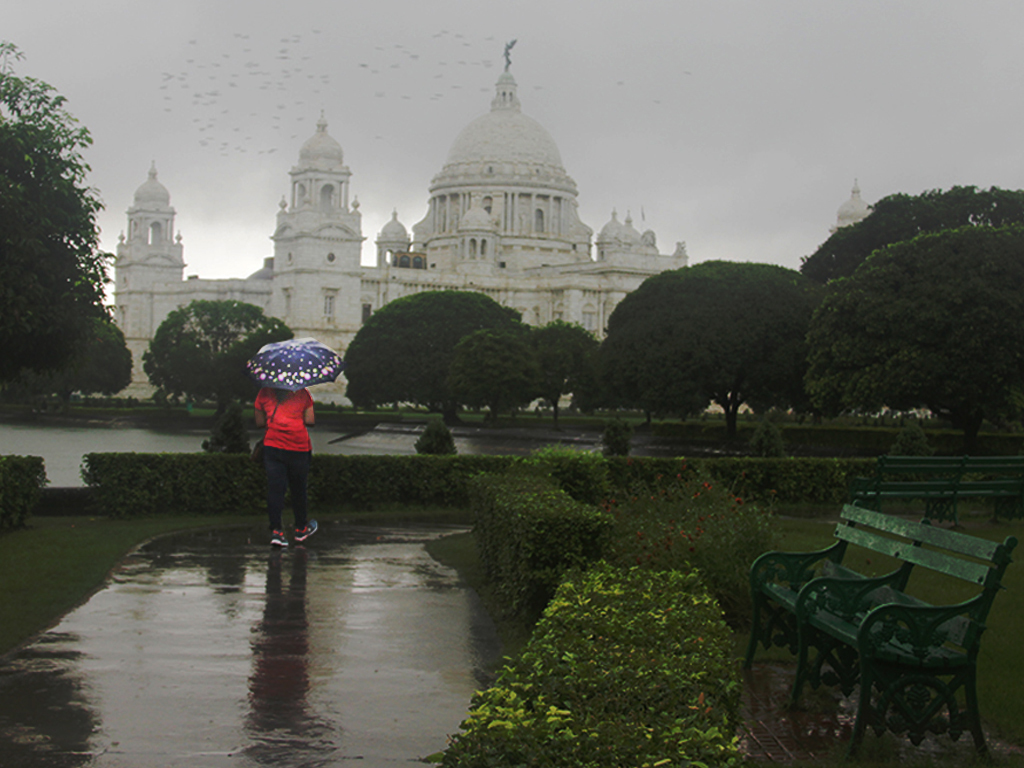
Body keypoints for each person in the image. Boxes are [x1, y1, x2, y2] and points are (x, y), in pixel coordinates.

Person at [254, 387, 318, 547]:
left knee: (275, 490)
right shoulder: (302, 393)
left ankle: (276, 531)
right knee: (299, 490)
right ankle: (301, 529)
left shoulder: (264, 392)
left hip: (273, 446)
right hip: (299, 447)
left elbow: (259, 422)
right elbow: (310, 421)